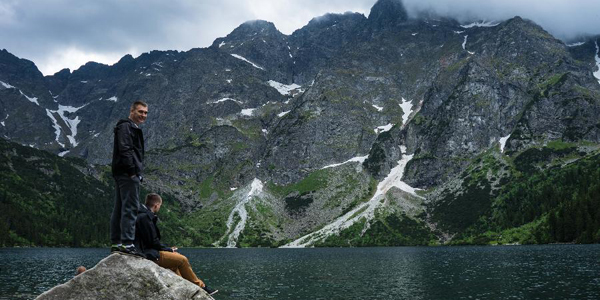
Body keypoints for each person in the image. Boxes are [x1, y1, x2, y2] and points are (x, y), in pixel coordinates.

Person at [135, 193, 218, 296]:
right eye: (160, 206)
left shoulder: (142, 215)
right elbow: (153, 242)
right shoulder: (145, 218)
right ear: (156, 205)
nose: (159, 208)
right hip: (147, 253)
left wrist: (168, 249)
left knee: (175, 263)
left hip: (147, 250)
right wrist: (169, 250)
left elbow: (151, 241)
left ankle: (185, 290)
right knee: (182, 260)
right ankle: (202, 287)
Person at [110, 100, 148, 256]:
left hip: (122, 172)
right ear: (132, 111)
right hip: (127, 173)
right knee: (130, 207)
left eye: (146, 113)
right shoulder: (126, 126)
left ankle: (116, 243)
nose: (143, 115)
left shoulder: (127, 126)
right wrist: (133, 172)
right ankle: (127, 243)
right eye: (140, 112)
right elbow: (125, 149)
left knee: (119, 208)